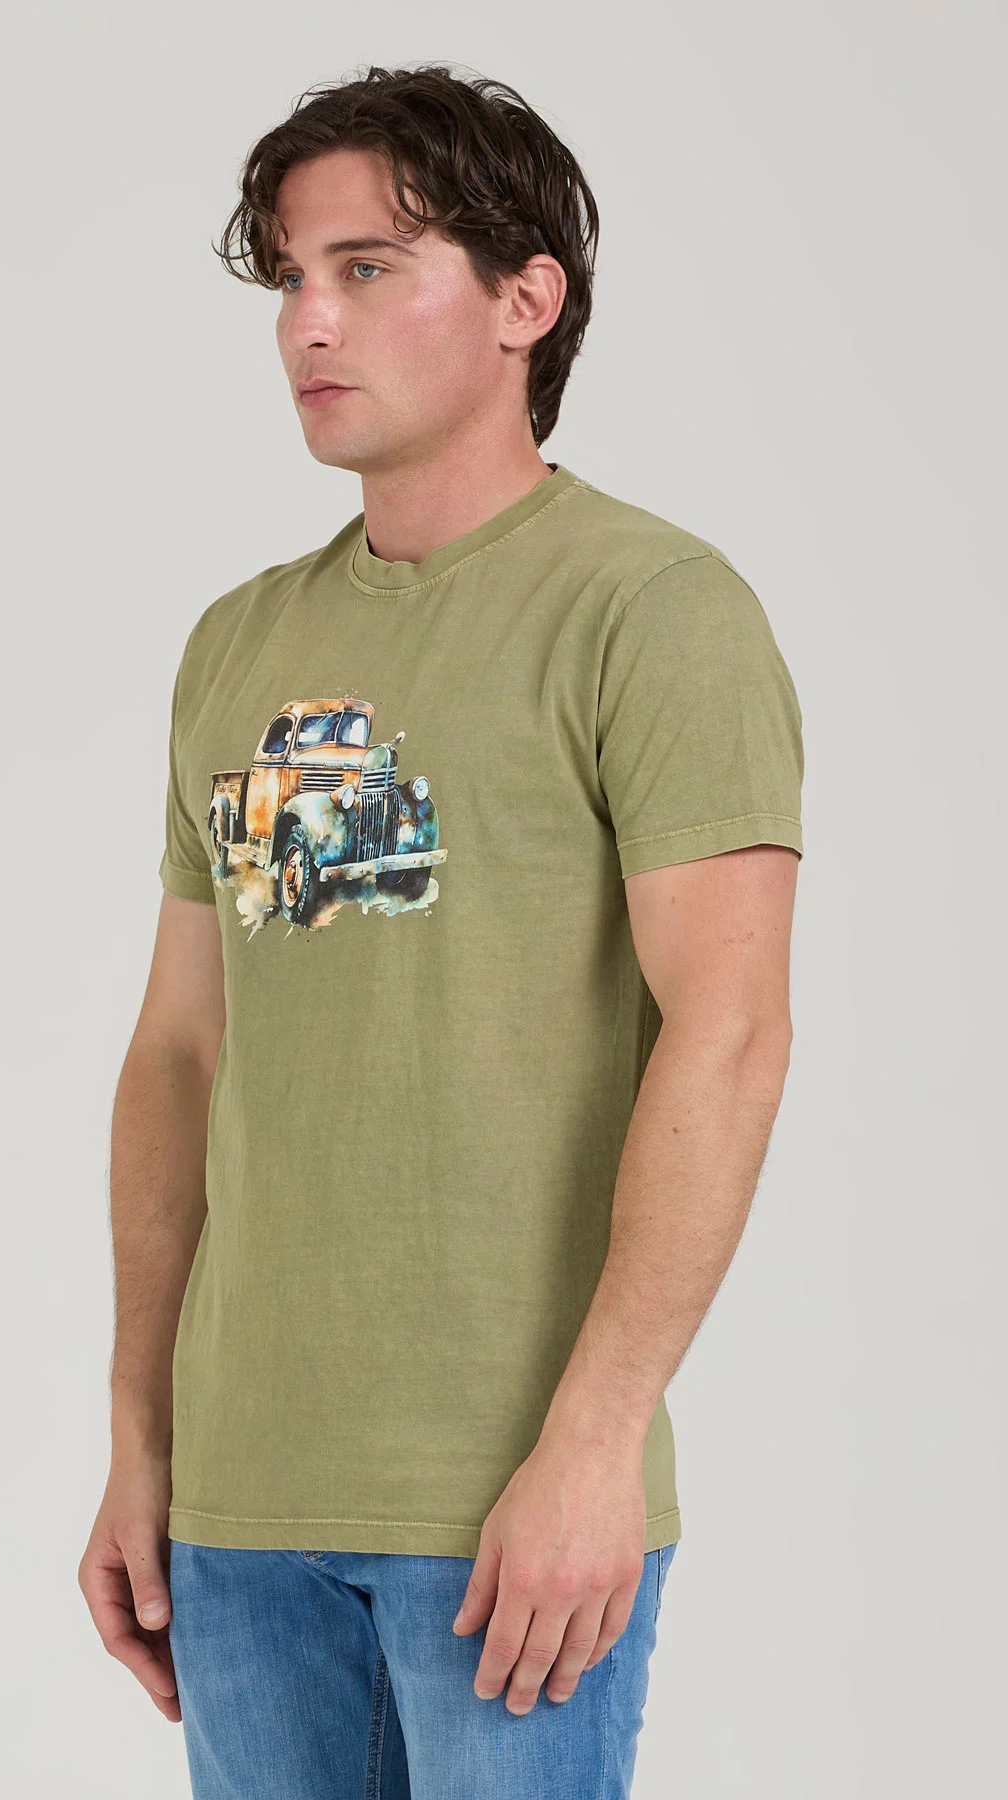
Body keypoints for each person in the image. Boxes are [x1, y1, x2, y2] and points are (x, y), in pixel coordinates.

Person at [78, 63, 804, 1800]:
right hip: (243, 1508)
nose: (308, 322)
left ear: (523, 300)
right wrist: (140, 1436)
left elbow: (730, 1035)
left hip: (511, 1508)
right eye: (291, 277)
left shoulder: (651, 609)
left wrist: (595, 1444)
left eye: (367, 268)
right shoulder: (240, 643)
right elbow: (181, 1050)